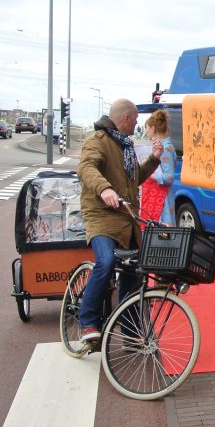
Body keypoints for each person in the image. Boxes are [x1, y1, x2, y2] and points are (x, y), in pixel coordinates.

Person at [76, 99, 163, 343]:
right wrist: (104, 189)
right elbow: (86, 168)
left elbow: (134, 180)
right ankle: (88, 322)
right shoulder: (97, 142)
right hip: (102, 217)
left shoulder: (126, 146)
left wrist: (154, 158)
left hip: (127, 221)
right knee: (105, 261)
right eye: (135, 119)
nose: (137, 124)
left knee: (133, 276)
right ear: (125, 118)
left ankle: (130, 332)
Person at [139, 108, 177, 227]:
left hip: (161, 198)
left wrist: (148, 172)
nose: (146, 132)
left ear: (152, 128)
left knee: (161, 234)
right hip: (160, 197)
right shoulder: (164, 146)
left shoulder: (165, 149)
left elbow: (169, 177)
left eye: (147, 128)